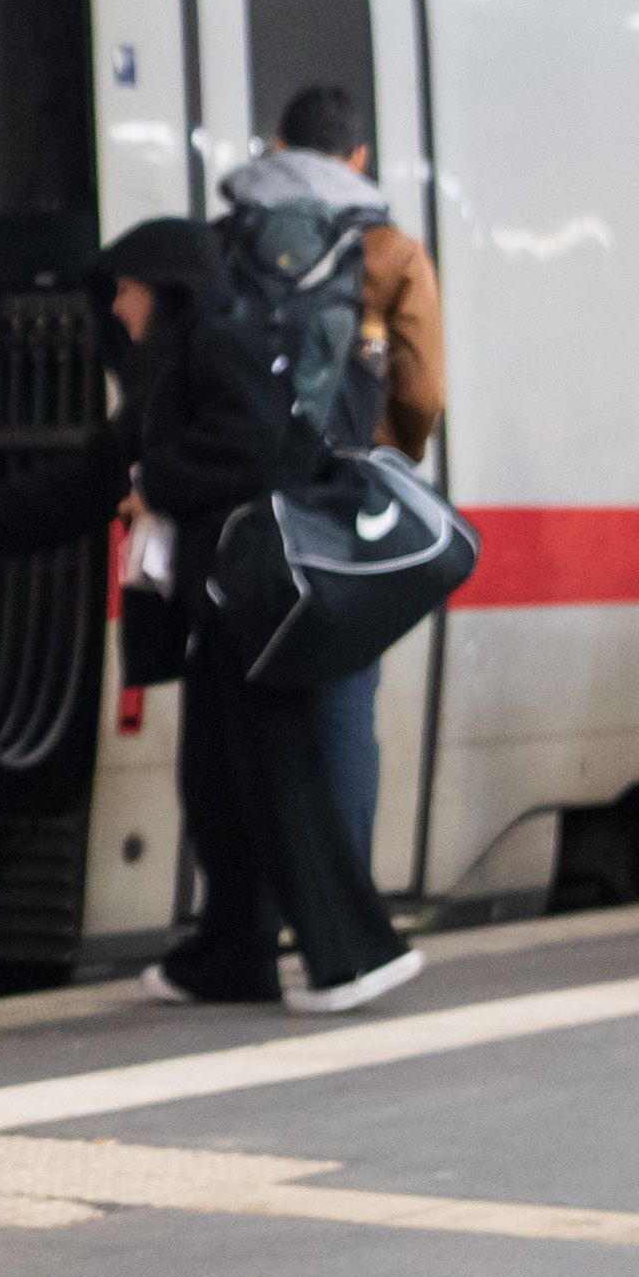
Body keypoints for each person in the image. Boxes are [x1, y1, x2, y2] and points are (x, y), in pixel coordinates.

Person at [0, 219, 426, 1012]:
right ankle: (230, 956)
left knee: (280, 781)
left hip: (253, 601)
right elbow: (88, 483)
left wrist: (161, 482)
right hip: (220, 609)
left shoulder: (221, 344)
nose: (115, 306)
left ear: (166, 286)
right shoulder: (168, 377)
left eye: (126, 288)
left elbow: (252, 445)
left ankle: (357, 954)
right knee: (218, 786)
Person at [223, 82, 445, 880]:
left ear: (280, 146)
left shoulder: (231, 231)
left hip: (243, 500)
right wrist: (384, 455)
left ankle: (249, 903)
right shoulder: (390, 251)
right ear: (359, 156)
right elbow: (419, 391)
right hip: (342, 505)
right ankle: (340, 906)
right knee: (343, 707)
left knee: (244, 704)